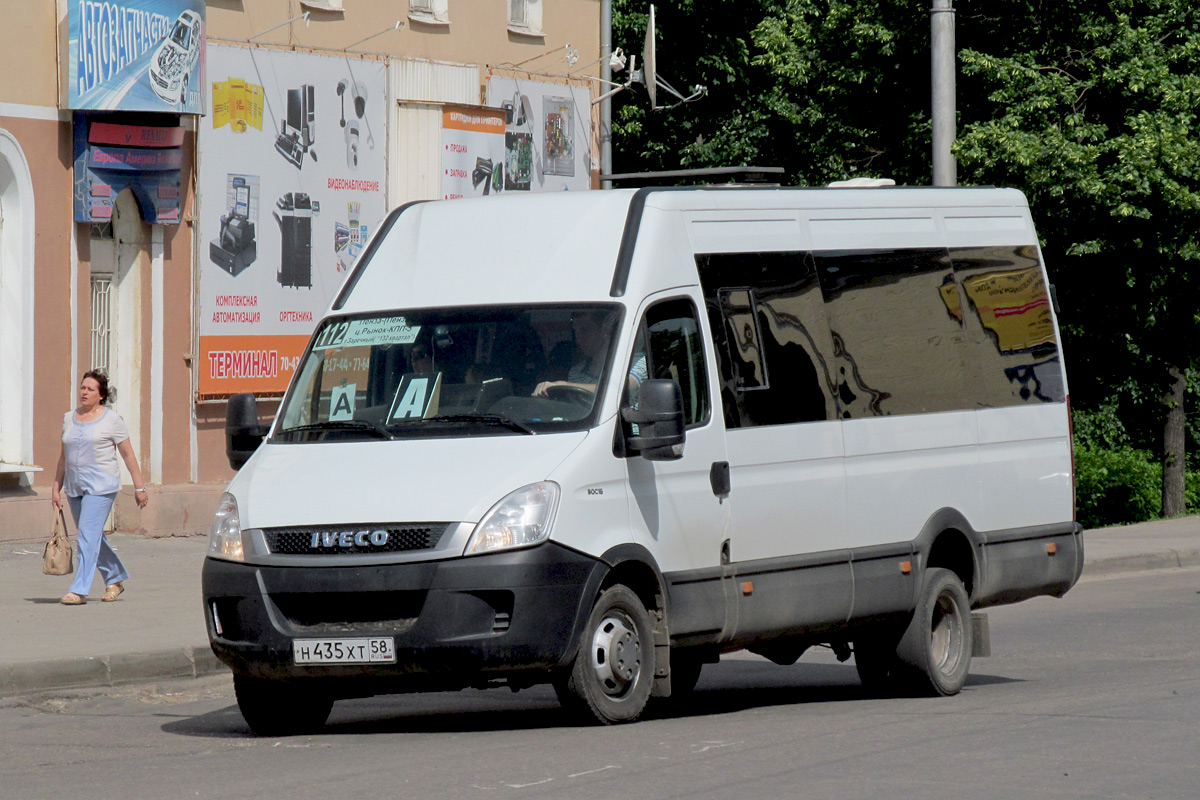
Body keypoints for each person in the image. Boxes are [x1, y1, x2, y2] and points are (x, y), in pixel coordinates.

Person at [51, 370, 148, 605]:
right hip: (75, 487)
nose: (84, 392)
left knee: (86, 536)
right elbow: (64, 456)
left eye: (90, 389)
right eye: (83, 388)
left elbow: (127, 454)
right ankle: (115, 578)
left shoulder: (112, 420)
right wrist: (56, 486)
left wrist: (139, 487)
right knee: (92, 536)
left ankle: (79, 589)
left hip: (101, 486)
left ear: (101, 395)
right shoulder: (69, 418)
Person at [533, 311, 647, 400]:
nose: (579, 338)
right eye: (576, 331)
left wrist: (564, 385)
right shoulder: (576, 372)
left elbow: (623, 389)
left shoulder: (636, 362)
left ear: (604, 330)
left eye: (584, 330)